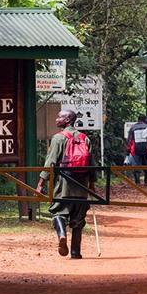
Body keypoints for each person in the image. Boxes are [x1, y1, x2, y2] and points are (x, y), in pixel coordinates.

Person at [36, 108, 95, 259]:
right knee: (78, 220)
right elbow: (91, 164)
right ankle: (76, 252)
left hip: (63, 186)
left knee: (58, 213)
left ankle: (62, 235)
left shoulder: (58, 138)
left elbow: (50, 162)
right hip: (82, 187)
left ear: (68, 120)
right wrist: (92, 185)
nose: (57, 119)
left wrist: (41, 183)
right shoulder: (85, 138)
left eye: (59, 117)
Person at [127, 113, 147, 185]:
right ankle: (146, 181)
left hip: (136, 149)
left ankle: (137, 182)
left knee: (136, 165)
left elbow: (129, 140)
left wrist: (128, 151)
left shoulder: (133, 127)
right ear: (144, 120)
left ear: (138, 119)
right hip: (146, 149)